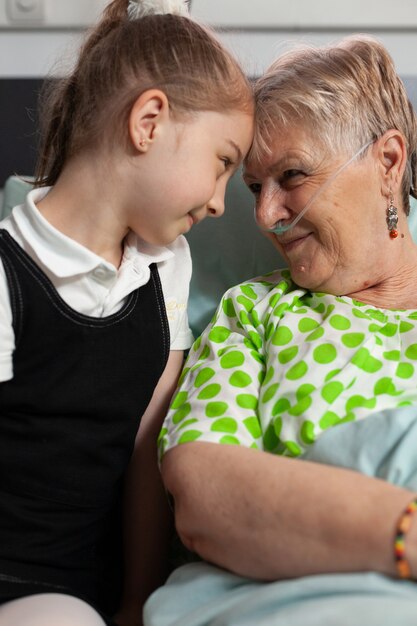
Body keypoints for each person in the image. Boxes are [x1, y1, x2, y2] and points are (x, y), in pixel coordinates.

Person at [147, 36, 417, 625]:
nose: (266, 215)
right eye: (252, 188)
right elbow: (204, 489)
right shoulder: (255, 312)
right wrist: (404, 533)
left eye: (291, 175)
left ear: (389, 164)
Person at [0, 0, 254, 624]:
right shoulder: (7, 275)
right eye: (223, 163)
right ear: (149, 122)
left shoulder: (167, 265)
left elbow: (149, 444)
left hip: (89, 588)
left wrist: (139, 597)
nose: (222, 202)